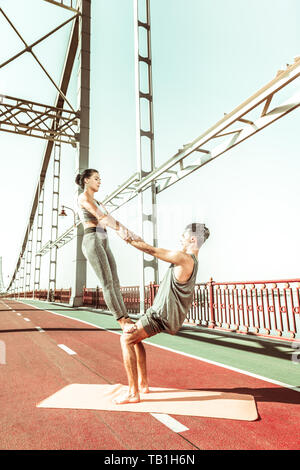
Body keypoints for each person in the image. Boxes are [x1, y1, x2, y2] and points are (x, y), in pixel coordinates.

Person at [112, 222, 210, 404]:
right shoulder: (192, 261)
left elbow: (150, 250)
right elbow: (148, 246)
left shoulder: (184, 258)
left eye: (182, 237)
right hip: (160, 312)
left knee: (126, 339)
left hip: (160, 314)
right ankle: (143, 384)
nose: (180, 239)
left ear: (192, 239)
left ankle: (133, 393)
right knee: (136, 339)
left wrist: (121, 232)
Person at [75, 169, 137, 331]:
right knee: (107, 283)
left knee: (115, 282)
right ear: (86, 180)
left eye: (100, 179)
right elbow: (101, 217)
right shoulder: (83, 197)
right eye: (96, 178)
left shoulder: (99, 202)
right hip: (92, 239)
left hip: (103, 238)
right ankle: (122, 321)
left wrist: (126, 230)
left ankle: (127, 317)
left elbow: (109, 219)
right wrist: (121, 230)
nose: (100, 181)